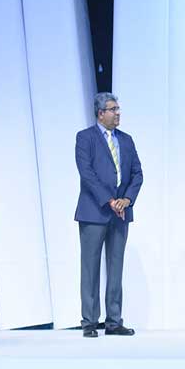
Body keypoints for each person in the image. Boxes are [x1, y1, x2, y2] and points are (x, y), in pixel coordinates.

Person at [74, 92, 143, 338]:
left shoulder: (126, 140)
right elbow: (87, 173)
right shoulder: (85, 138)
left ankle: (114, 321)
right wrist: (109, 200)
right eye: (113, 109)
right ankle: (89, 322)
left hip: (120, 213)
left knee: (116, 268)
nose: (117, 113)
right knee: (90, 268)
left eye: (118, 109)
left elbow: (137, 173)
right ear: (100, 113)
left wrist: (127, 200)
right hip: (94, 211)